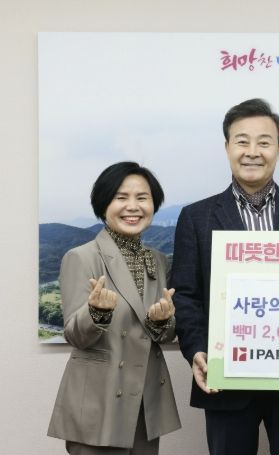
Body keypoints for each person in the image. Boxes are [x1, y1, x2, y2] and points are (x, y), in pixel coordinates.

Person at [170, 98, 279, 455]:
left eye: (264, 142)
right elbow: (185, 294)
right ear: (227, 146)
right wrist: (197, 350)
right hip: (226, 378)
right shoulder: (196, 217)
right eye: (242, 141)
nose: (253, 152)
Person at [48, 162, 180, 454]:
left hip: (145, 402)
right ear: (104, 204)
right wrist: (96, 312)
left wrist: (162, 321)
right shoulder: (81, 257)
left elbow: (164, 334)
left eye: (142, 198)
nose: (133, 206)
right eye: (121, 197)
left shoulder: (158, 260)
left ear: (153, 205)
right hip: (100, 403)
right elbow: (75, 335)